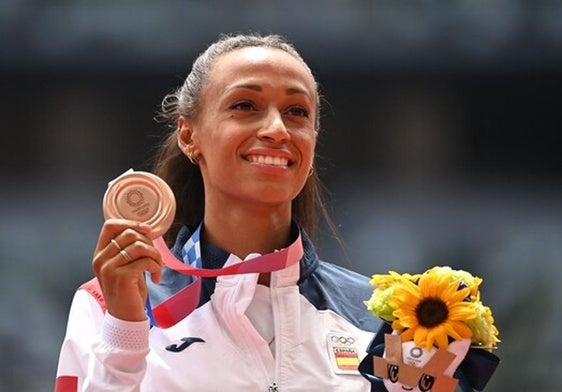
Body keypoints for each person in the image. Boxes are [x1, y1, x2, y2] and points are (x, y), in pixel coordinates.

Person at [55, 33, 380, 391]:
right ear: (188, 135)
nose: (276, 129)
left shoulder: (377, 315)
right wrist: (124, 336)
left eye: (296, 112)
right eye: (245, 106)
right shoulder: (109, 303)